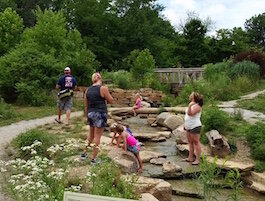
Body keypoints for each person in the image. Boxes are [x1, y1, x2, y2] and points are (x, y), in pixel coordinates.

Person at [81, 72, 114, 165]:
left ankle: (84, 154)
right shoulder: (103, 88)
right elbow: (111, 100)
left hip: (91, 113)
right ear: (100, 79)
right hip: (100, 113)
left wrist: (87, 115)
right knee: (97, 137)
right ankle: (94, 159)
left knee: (90, 135)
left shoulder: (88, 90)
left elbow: (86, 105)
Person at [183, 92, 203, 165]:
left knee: (196, 142)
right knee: (190, 142)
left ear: (194, 97)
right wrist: (185, 124)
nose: (189, 96)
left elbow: (190, 114)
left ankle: (197, 159)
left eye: (191, 95)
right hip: (188, 126)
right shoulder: (192, 104)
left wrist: (189, 106)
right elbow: (187, 116)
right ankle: (190, 157)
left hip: (195, 126)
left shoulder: (197, 106)